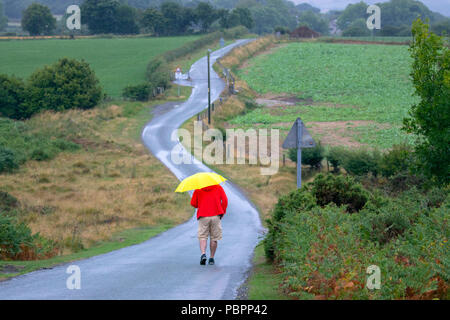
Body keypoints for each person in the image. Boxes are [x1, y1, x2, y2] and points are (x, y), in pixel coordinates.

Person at [190, 184, 228, 265]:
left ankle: (203, 254)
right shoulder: (218, 187)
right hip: (216, 215)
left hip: (203, 215)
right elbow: (225, 200)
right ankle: (211, 258)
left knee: (203, 236)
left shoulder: (198, 188)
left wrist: (200, 204)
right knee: (214, 237)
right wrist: (222, 212)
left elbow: (193, 203)